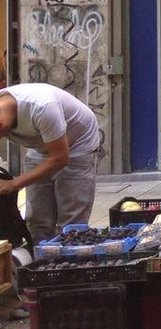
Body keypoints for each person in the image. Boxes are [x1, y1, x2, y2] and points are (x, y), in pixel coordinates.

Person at [0, 83, 101, 245]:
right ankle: (40, 263)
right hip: (39, 145)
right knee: (38, 220)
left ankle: (71, 263)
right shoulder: (3, 108)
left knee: (71, 221)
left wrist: (13, 184)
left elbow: (60, 158)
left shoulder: (42, 107)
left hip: (77, 144)